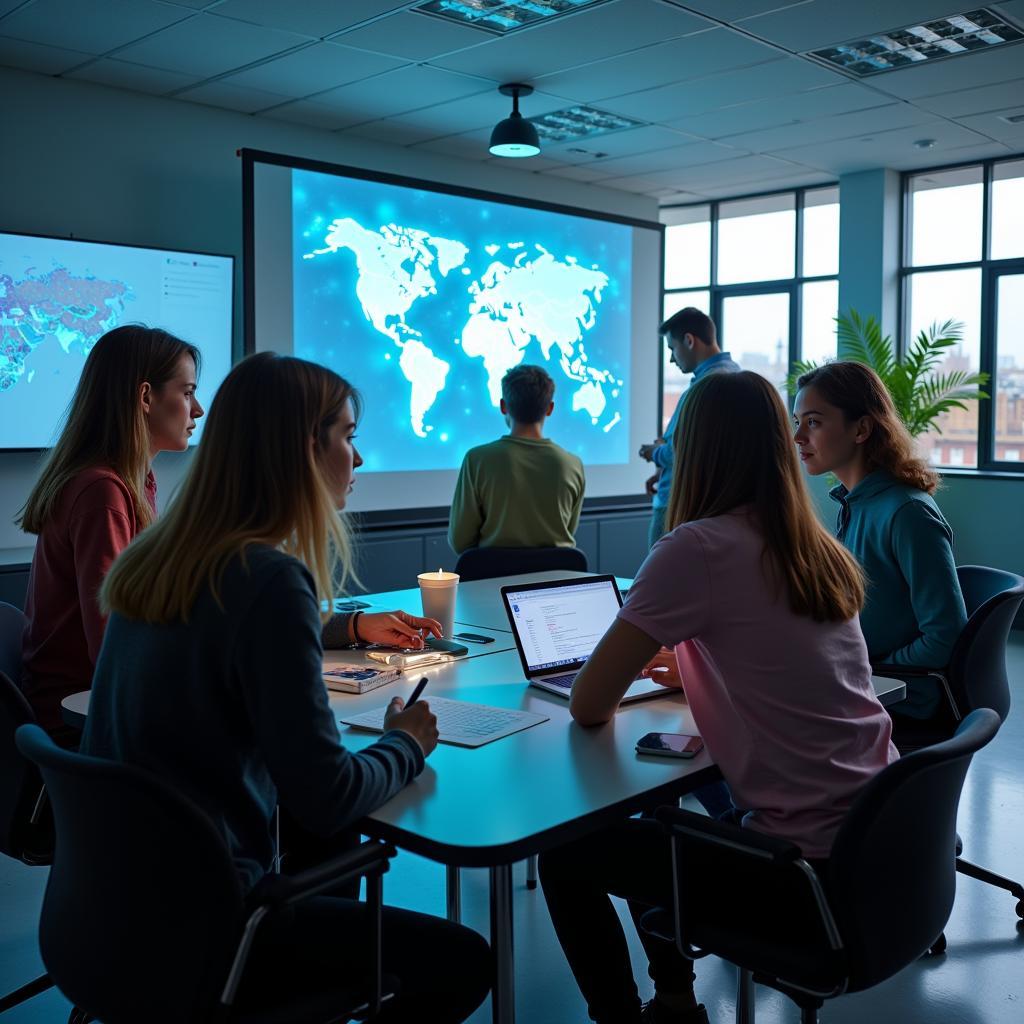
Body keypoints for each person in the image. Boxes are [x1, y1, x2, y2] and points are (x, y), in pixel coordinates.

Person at [80, 352, 490, 1023]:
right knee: (463, 961)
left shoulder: (161, 556)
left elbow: (227, 629)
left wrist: (345, 626)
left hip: (114, 910)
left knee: (329, 846)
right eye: (349, 437)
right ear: (307, 446)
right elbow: (329, 797)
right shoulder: (269, 578)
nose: (357, 460)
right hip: (216, 930)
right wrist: (406, 744)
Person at [540, 371, 897, 1024]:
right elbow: (775, 654)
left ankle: (630, 1018)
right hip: (877, 843)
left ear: (696, 451)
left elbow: (589, 703)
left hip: (797, 875)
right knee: (662, 814)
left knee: (567, 851)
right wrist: (699, 669)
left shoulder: (695, 548)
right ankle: (675, 1000)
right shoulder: (817, 547)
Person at [18, 325, 204, 742]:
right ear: (145, 397)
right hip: (83, 716)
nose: (198, 410)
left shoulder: (134, 483)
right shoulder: (101, 491)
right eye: (188, 392)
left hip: (105, 701)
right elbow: (113, 643)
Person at [793, 361, 968, 723]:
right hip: (861, 680)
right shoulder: (855, 502)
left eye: (813, 422)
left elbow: (944, 637)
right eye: (797, 422)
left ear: (861, 429)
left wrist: (872, 668)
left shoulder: (907, 513)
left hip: (897, 696)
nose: (798, 437)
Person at [448, 363, 584, 554]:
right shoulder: (572, 464)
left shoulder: (477, 460)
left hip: (490, 580)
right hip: (552, 580)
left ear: (503, 406)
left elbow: (460, 541)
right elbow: (567, 532)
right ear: (550, 408)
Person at [639, 309, 739, 550]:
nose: (672, 359)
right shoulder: (733, 376)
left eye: (672, 349)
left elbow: (688, 451)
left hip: (679, 503)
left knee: (664, 583)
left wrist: (656, 453)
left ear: (689, 340)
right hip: (696, 499)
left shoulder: (710, 385)